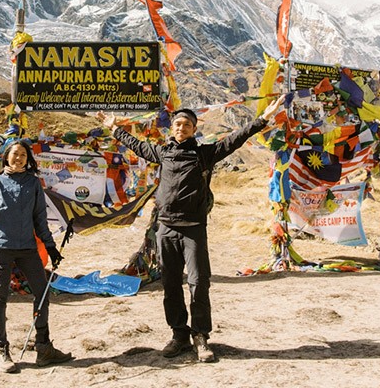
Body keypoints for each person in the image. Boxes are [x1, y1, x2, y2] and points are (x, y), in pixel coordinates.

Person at [97, 96, 284, 363]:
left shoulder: (204, 154)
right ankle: (179, 335)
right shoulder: (163, 152)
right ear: (172, 128)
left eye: (186, 124)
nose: (181, 128)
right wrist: (114, 128)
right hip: (165, 228)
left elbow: (235, 139)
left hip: (194, 229)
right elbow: (137, 145)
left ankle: (200, 337)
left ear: (194, 129)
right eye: (177, 124)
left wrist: (262, 119)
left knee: (198, 283)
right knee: (171, 284)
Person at [0, 138, 73, 373]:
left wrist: (51, 246)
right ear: (6, 156)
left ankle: (44, 347)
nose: (19, 158)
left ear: (28, 159)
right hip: (1, 247)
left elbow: (39, 219)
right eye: (15, 154)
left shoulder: (33, 183)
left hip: (27, 247)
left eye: (23, 155)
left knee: (42, 293)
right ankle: (2, 351)